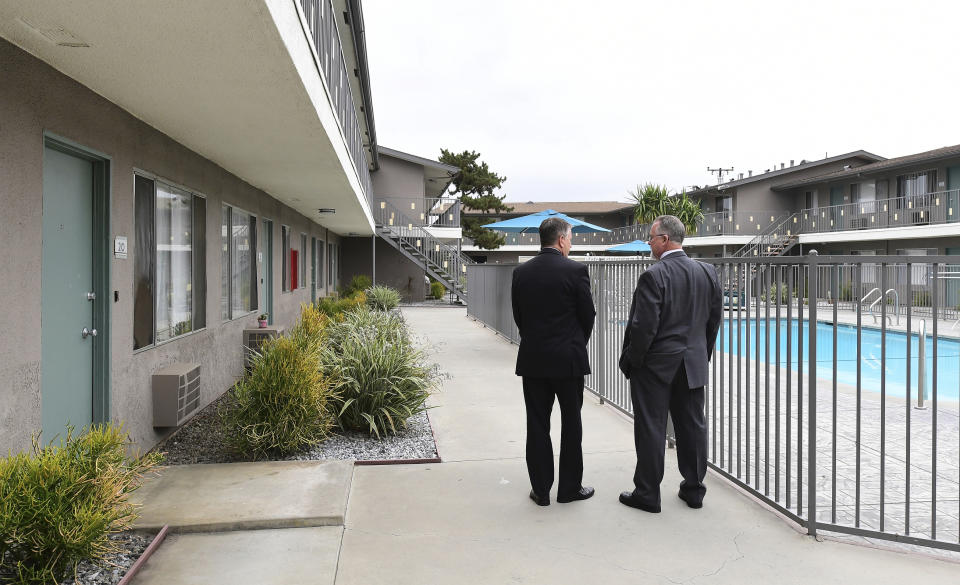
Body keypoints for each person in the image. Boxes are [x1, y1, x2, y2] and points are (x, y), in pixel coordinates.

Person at [618, 215, 722, 513]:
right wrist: (701, 355)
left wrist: (631, 363)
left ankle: (648, 494)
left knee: (651, 427)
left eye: (651, 238)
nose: (649, 243)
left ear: (664, 240)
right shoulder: (708, 272)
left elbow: (643, 328)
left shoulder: (654, 275)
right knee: (692, 426)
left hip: (656, 367)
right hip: (692, 364)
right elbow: (713, 322)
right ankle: (694, 490)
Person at [511, 217, 596, 506]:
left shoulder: (521, 272)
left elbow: (519, 316)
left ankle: (541, 490)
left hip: (534, 359)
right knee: (572, 424)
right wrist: (575, 344)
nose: (571, 243)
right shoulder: (576, 271)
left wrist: (535, 340)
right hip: (569, 361)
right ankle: (570, 488)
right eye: (570, 238)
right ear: (561, 240)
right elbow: (588, 316)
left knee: (537, 424)